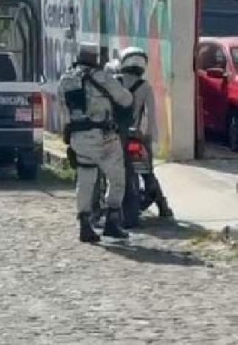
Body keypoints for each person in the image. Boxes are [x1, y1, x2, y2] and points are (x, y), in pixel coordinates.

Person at [59, 42, 134, 243]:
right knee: (117, 176)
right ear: (95, 58)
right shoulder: (103, 77)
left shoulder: (66, 79)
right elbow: (126, 99)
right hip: (104, 137)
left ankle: (85, 223)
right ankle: (112, 220)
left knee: (85, 179)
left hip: (79, 137)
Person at [119, 46, 174, 218]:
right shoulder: (145, 86)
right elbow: (151, 114)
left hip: (116, 135)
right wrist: (148, 136)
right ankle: (163, 207)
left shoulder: (115, 82)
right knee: (147, 171)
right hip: (136, 135)